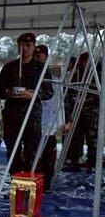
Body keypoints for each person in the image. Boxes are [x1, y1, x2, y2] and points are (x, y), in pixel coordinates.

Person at [0, 32, 53, 174]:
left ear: (34, 47)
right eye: (21, 45)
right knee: (13, 150)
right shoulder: (9, 67)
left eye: (28, 45)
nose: (24, 48)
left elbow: (49, 92)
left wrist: (34, 95)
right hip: (12, 115)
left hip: (31, 116)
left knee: (32, 151)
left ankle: (30, 181)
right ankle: (15, 180)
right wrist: (8, 93)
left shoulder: (41, 68)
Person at [35, 44, 64, 191]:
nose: (37, 59)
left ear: (46, 57)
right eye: (35, 56)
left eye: (40, 56)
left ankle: (46, 183)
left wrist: (63, 121)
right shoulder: (31, 76)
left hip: (49, 122)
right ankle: (35, 182)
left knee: (48, 155)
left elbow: (61, 100)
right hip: (34, 121)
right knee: (33, 154)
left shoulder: (54, 77)